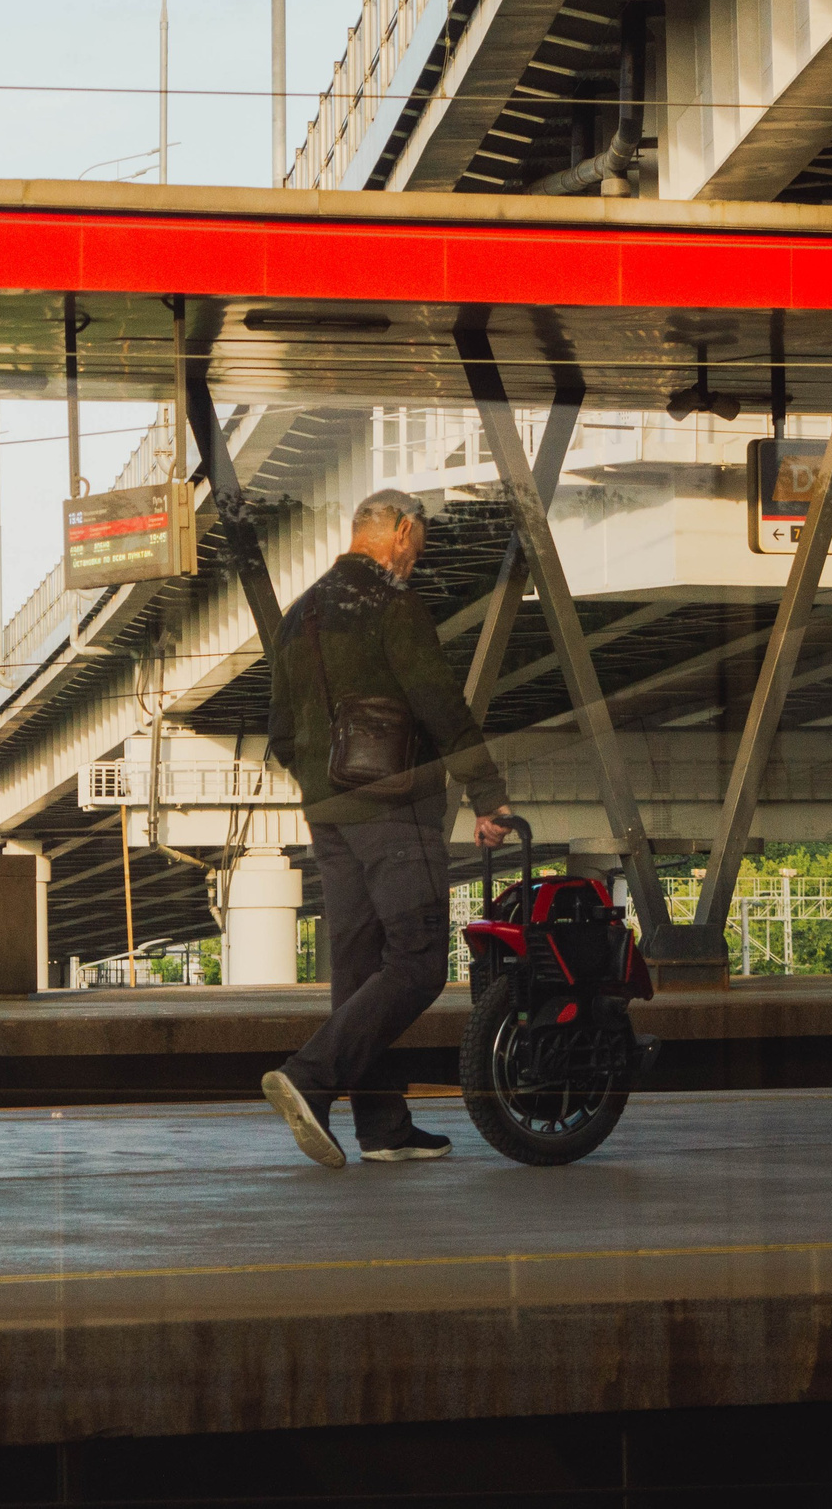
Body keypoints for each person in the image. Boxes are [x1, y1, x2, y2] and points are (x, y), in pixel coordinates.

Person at [260, 486, 515, 1169]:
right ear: (402, 531)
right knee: (419, 959)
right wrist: (488, 794)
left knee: (361, 970)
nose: (415, 560)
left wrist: (324, 785)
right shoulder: (390, 602)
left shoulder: (298, 614)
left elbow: (280, 730)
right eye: (418, 547)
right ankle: (310, 1077)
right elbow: (439, 702)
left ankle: (382, 1126)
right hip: (394, 810)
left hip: (330, 817)